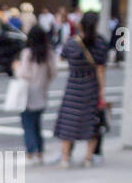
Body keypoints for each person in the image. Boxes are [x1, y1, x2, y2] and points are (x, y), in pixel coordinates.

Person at [53, 11, 107, 168]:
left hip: (73, 86)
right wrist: (102, 91)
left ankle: (65, 158)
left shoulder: (72, 43)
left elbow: (62, 57)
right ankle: (88, 158)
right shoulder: (100, 44)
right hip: (91, 87)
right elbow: (101, 70)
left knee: (68, 122)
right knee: (91, 122)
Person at [13, 24, 57, 166]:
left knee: (28, 125)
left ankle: (30, 153)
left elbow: (24, 73)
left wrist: (16, 68)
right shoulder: (48, 53)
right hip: (42, 93)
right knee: (37, 124)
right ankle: (40, 152)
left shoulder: (27, 53)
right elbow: (53, 72)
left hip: (27, 93)